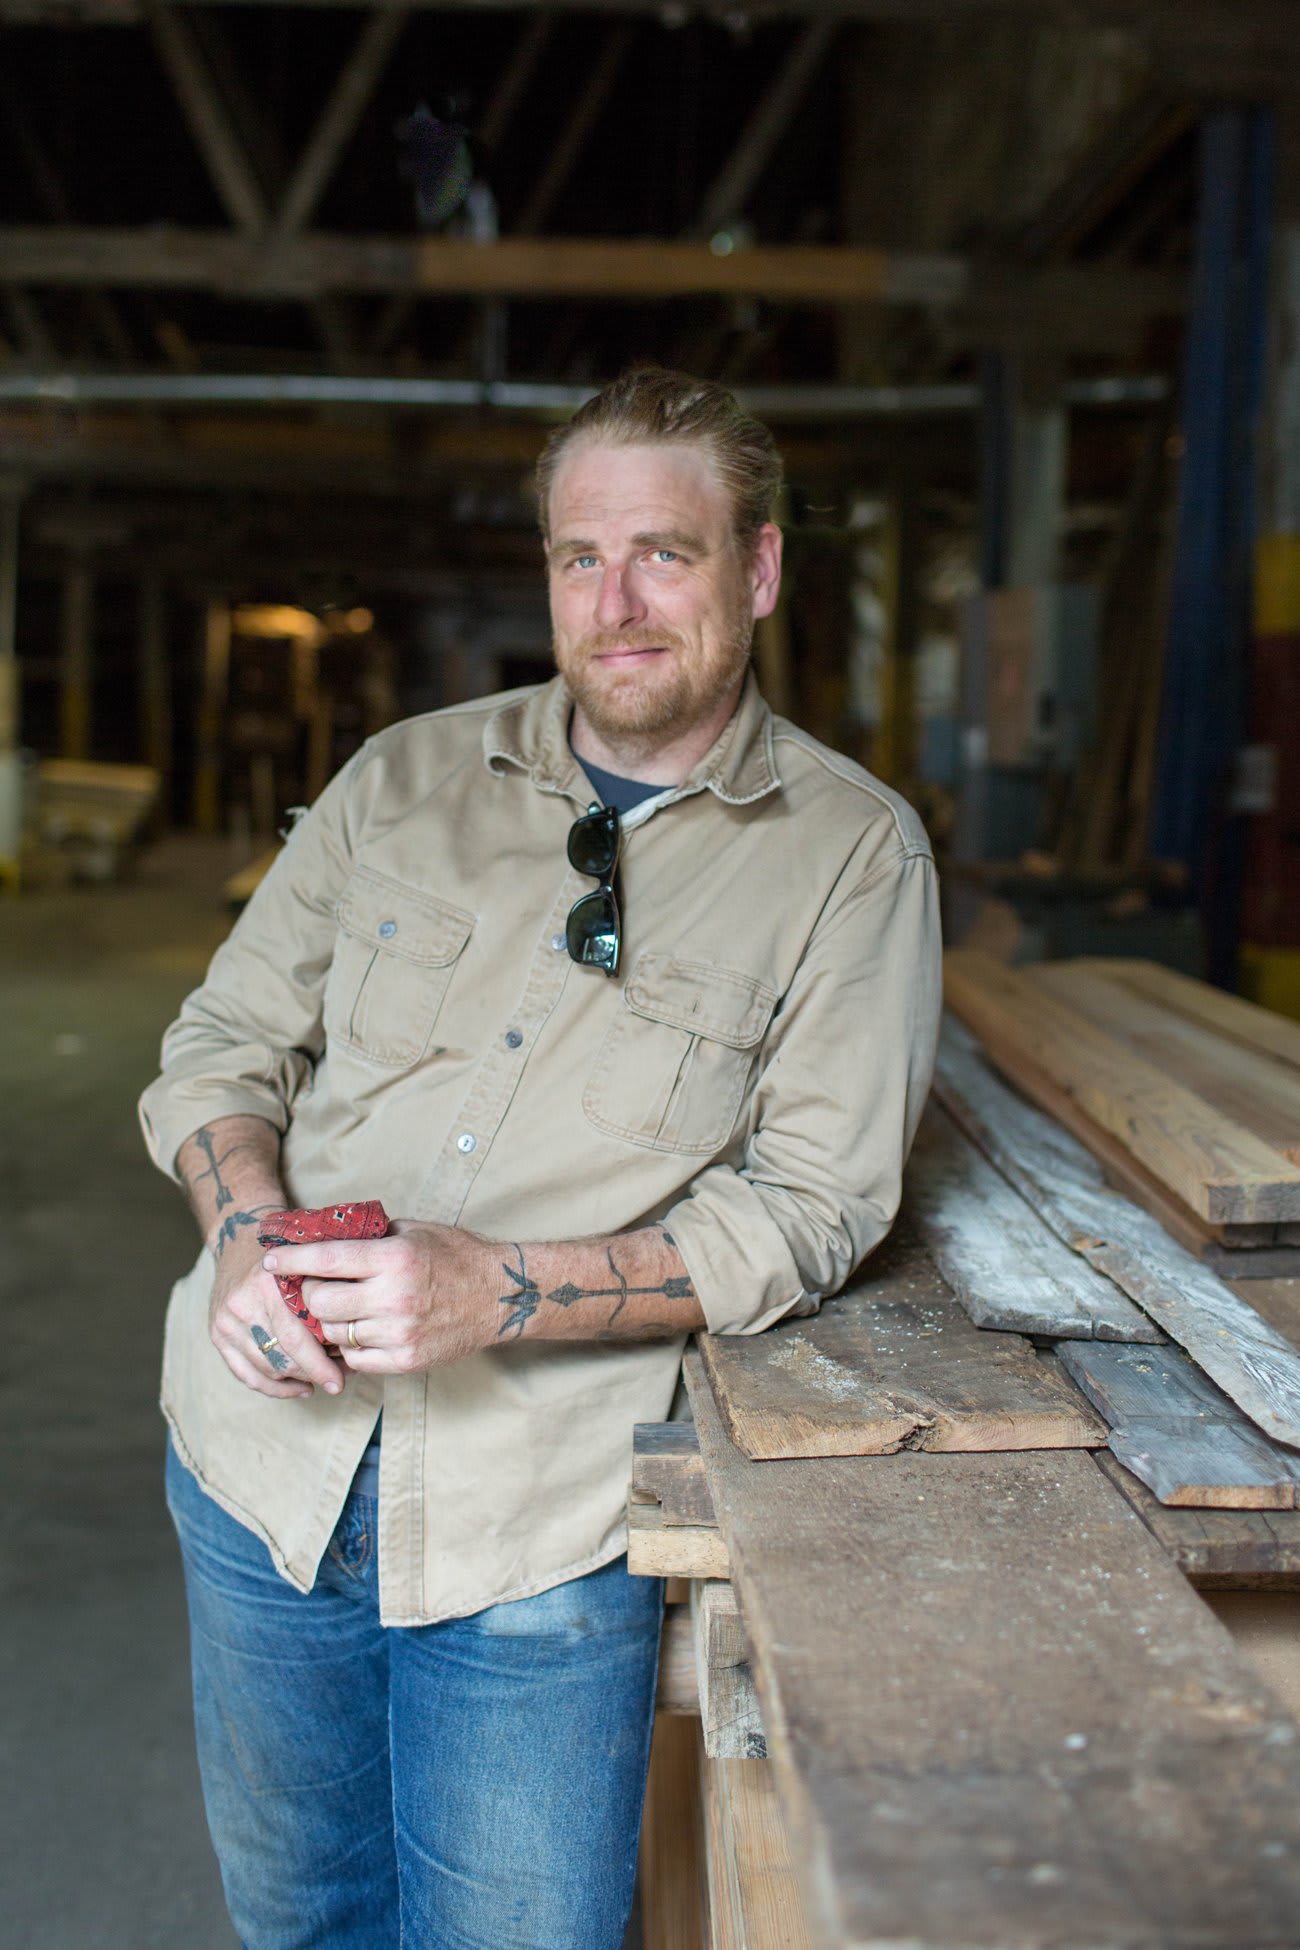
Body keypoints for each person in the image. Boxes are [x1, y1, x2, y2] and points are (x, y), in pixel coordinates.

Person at [140, 366, 941, 1950]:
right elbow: (220, 1045)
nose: (617, 602)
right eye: (583, 557)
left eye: (665, 554)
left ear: (758, 570)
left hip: (534, 1532)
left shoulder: (852, 857)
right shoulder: (400, 779)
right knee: (299, 1921)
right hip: (260, 1471)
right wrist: (244, 1231)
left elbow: (811, 1205)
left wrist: (494, 1287)